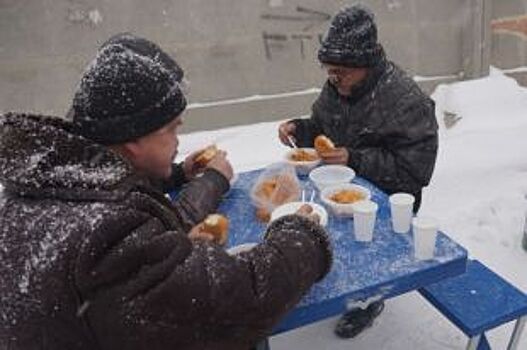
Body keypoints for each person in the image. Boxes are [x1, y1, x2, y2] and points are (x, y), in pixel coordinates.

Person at [0, 33, 332, 350]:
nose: (178, 141)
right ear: (132, 138)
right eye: (171, 130)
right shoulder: (108, 234)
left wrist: (174, 180)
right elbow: (240, 300)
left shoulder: (44, 189)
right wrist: (301, 234)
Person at [278, 4, 439, 339]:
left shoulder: (405, 98)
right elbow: (322, 127)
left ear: (365, 65)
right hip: (341, 191)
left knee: (365, 262)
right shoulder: (337, 87)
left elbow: (415, 172)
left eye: (341, 73)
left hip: (388, 202)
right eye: (329, 71)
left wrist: (356, 159)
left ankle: (369, 300)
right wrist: (300, 128)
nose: (334, 80)